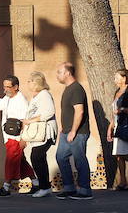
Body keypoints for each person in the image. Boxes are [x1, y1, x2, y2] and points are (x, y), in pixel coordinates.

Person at [0, 75, 38, 197]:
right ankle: (36, 184)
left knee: (10, 161)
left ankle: (6, 188)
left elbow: (26, 121)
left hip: (16, 139)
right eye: (4, 86)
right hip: (8, 137)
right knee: (20, 161)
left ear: (16, 87)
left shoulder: (21, 101)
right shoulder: (8, 98)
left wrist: (24, 139)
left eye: (8, 87)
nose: (5, 89)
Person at [54, 62, 93, 200]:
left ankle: (85, 190)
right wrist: (63, 129)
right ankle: (69, 188)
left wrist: (73, 131)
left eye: (59, 72)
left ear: (67, 73)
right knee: (61, 157)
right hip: (66, 132)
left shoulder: (76, 89)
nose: (57, 75)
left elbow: (79, 111)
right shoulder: (68, 89)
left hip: (77, 132)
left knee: (79, 159)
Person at [21, 71, 58, 198]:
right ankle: (45, 187)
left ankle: (44, 187)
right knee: (38, 158)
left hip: (45, 132)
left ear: (36, 82)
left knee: (36, 157)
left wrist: (31, 120)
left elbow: (49, 112)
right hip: (37, 133)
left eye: (30, 81)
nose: (28, 83)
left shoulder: (44, 95)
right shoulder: (35, 97)